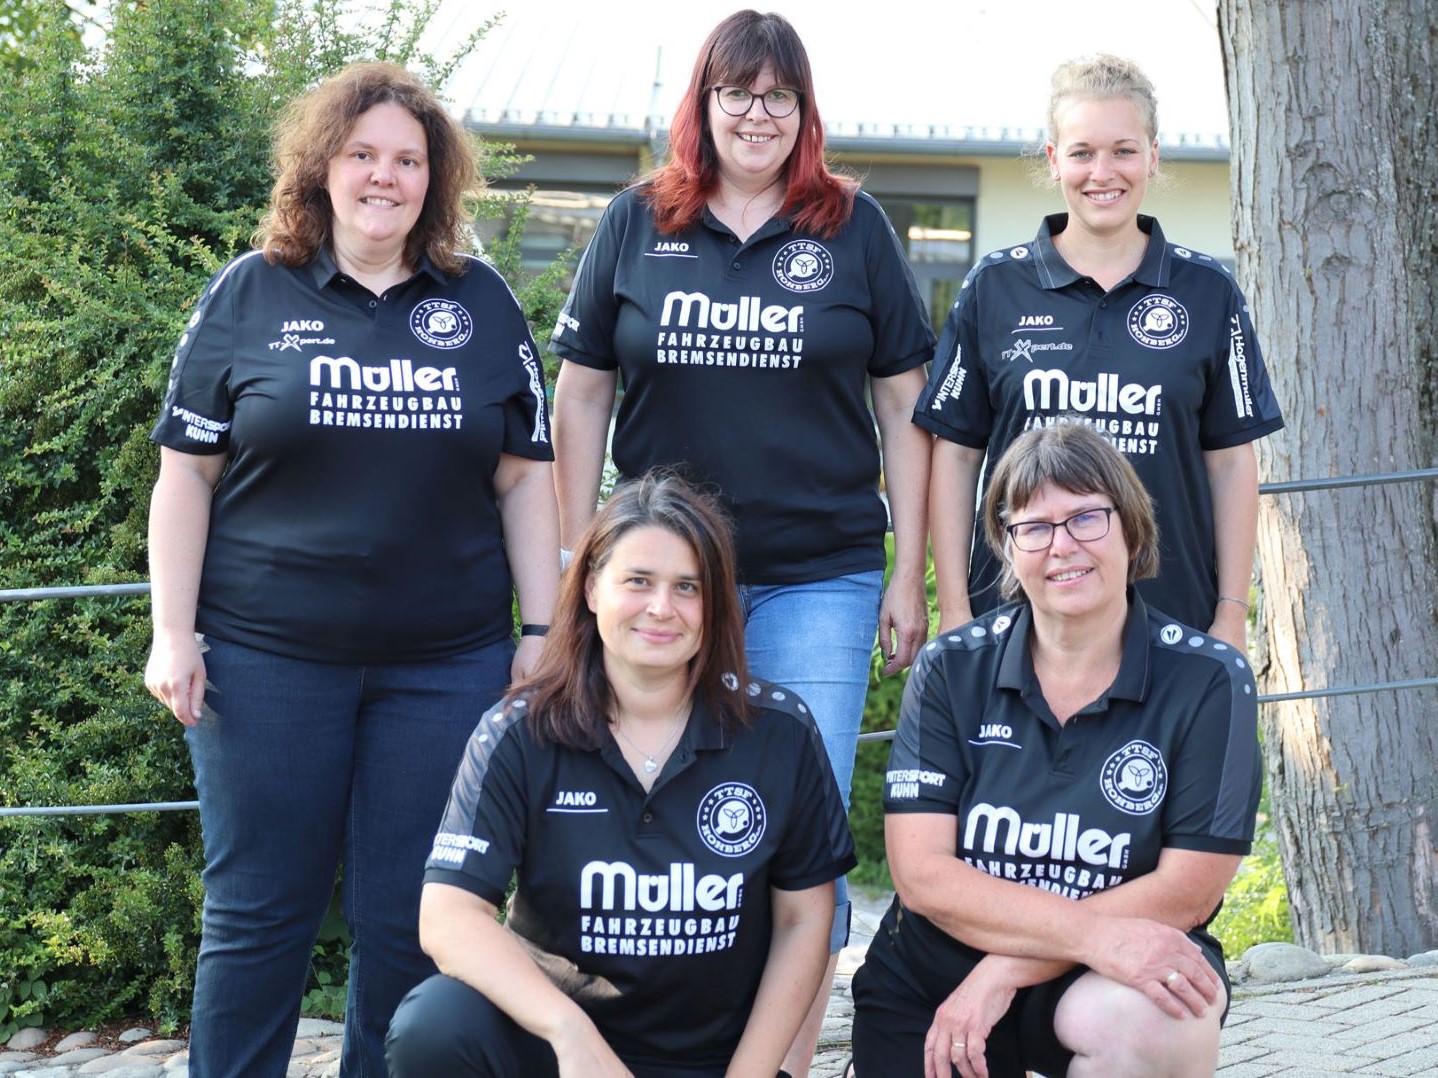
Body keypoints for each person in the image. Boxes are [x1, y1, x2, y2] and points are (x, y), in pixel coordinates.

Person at [142, 62, 559, 1077]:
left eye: (408, 160)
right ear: (322, 167)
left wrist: (544, 634)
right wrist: (171, 631)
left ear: (434, 179)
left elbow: (523, 480)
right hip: (265, 664)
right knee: (258, 914)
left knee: (414, 920)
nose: (385, 176)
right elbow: (185, 475)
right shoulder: (248, 291)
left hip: (446, 668)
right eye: (363, 153)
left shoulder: (482, 302)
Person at [549, 13, 934, 1067]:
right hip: (665, 583)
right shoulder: (637, 220)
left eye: (779, 96)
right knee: (665, 824)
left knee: (797, 831)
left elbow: (906, 405)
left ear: (804, 111)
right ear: (704, 103)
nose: (757, 114)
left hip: (819, 576)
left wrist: (908, 571)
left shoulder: (853, 227)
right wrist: (578, 556)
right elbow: (579, 396)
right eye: (737, 93)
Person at [384, 471, 857, 1077]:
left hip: (712, 1059)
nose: (662, 608)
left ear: (715, 604)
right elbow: (447, 915)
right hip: (561, 1051)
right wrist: (569, 1032)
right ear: (590, 588)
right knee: (434, 1025)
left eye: (687, 587)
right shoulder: (521, 730)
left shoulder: (780, 732)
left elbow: (804, 919)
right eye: (638, 581)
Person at [849, 423, 1262, 1077]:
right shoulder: (952, 667)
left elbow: (1186, 891)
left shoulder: (1210, 679)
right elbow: (922, 874)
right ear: (1007, 549)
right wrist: (1083, 934)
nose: (1062, 546)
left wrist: (1004, 971)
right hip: (938, 977)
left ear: (1131, 529)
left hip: (1108, 973)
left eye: (1086, 518)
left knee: (1168, 1011)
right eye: (1034, 527)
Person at [916, 54, 1283, 648]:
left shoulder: (1208, 291)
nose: (1102, 172)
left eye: (1124, 150)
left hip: (1171, 621)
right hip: (1015, 616)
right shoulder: (994, 286)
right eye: (1082, 152)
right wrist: (955, 609)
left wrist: (1231, 615)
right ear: (1053, 159)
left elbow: (1232, 463)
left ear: (1153, 156)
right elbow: (956, 456)